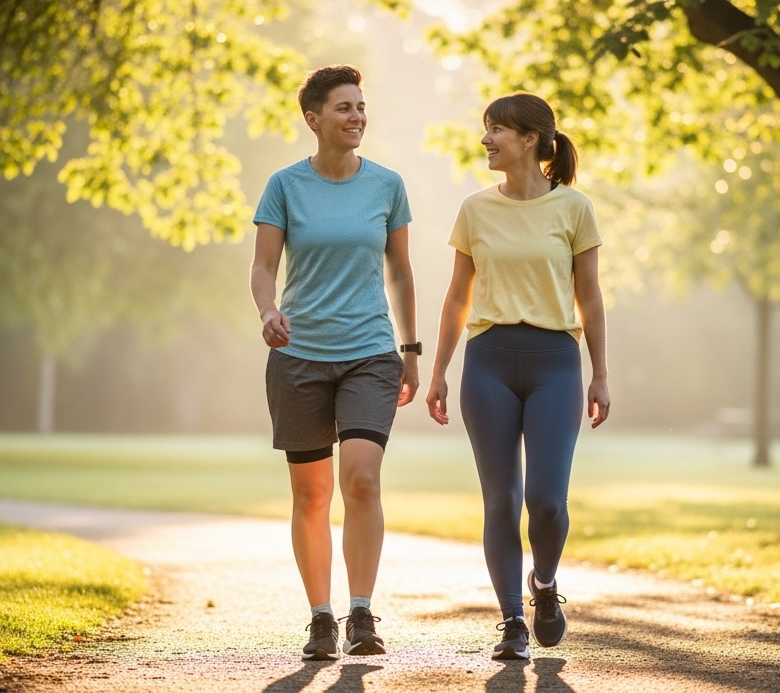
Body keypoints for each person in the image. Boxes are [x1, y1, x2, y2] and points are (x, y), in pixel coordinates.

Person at [425, 92, 610, 661]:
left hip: (556, 362)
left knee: (546, 500)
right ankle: (511, 622)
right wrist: (438, 370)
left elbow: (590, 295)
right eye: (486, 130)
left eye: (496, 131)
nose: (486, 140)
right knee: (500, 500)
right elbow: (457, 295)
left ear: (530, 139)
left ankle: (545, 587)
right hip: (488, 362)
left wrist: (600, 373)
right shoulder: (475, 209)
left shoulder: (574, 208)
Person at [249, 64, 420, 661]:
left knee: (363, 480)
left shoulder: (387, 185)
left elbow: (400, 272)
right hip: (298, 356)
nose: (357, 118)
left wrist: (411, 349)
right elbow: (264, 266)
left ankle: (361, 613)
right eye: (345, 108)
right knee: (311, 495)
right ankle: (320, 618)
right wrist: (268, 311)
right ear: (313, 119)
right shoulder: (284, 186)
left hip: (370, 352)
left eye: (362, 107)